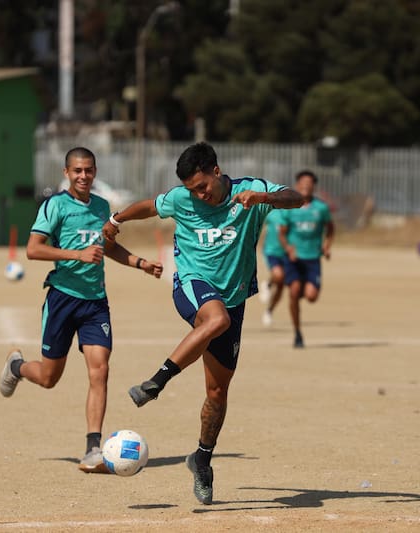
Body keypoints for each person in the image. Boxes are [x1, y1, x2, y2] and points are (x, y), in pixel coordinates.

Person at [101, 142, 303, 504]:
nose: (199, 194)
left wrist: (262, 198)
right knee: (216, 318)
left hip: (234, 296)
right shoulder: (182, 199)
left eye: (202, 186)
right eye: (192, 189)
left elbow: (296, 197)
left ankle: (202, 459)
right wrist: (117, 220)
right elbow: (151, 206)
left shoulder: (249, 191)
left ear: (216, 171)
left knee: (217, 392)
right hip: (193, 284)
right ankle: (156, 382)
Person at [0, 147, 163, 473]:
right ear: (66, 173)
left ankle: (92, 449)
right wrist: (77, 255)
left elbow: (108, 247)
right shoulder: (55, 206)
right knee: (48, 378)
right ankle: (17, 367)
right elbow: (33, 250)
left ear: (95, 170)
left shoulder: (102, 207)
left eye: (88, 170)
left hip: (95, 303)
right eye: (77, 171)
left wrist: (140, 263)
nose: (84, 176)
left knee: (99, 370)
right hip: (62, 298)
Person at [278, 170, 334, 348]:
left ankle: (301, 287)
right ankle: (297, 332)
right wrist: (288, 248)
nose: (306, 186)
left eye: (309, 183)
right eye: (303, 183)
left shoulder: (321, 208)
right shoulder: (290, 208)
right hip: (294, 259)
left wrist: (327, 245)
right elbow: (282, 233)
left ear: (313, 186)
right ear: (297, 185)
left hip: (312, 258)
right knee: (294, 292)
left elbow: (331, 228)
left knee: (311, 296)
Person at [258, 208, 287, 327]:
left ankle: (269, 311)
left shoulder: (294, 212)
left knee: (280, 286)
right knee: (279, 275)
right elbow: (263, 228)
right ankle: (268, 284)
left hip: (287, 253)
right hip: (271, 251)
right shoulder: (272, 213)